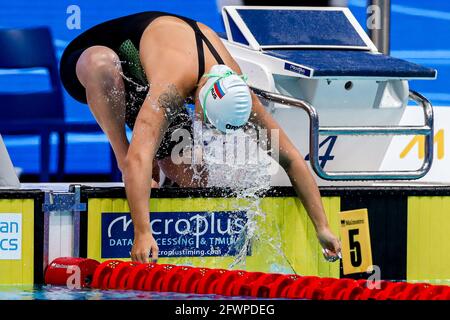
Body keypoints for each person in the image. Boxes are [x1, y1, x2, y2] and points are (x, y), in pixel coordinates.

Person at [60, 11, 341, 264]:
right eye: (207, 121)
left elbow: (291, 158)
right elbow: (139, 157)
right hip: (95, 59)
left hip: (151, 69)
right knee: (104, 70)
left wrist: (323, 227)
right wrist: (142, 232)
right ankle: (122, 158)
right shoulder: (171, 89)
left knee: (192, 176)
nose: (204, 129)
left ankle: (155, 175)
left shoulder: (240, 93)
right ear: (199, 99)